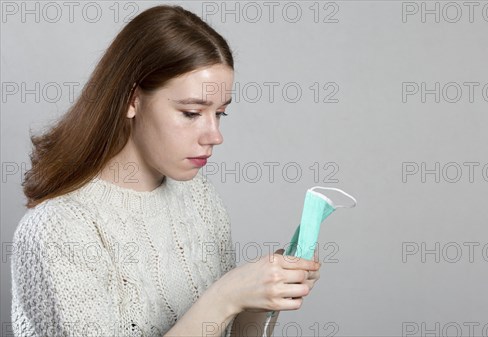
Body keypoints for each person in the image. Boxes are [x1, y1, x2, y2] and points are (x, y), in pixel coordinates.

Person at [10, 5, 321, 337]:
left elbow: (228, 331)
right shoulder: (58, 229)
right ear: (132, 99)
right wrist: (225, 297)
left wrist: (259, 297)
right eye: (191, 112)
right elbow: (218, 307)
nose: (215, 135)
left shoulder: (198, 198)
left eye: (220, 114)